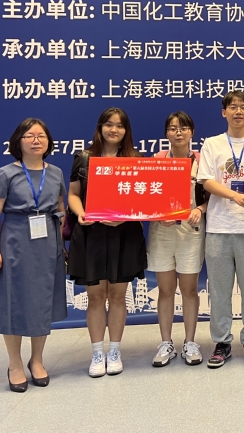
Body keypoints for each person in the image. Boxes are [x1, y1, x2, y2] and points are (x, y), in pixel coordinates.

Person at [0, 118, 68, 392]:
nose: (36, 140)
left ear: (48, 142)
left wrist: (61, 245)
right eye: (29, 136)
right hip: (15, 242)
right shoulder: (5, 173)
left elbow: (60, 208)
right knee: (14, 302)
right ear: (17, 141)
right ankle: (15, 364)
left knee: (42, 301)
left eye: (41, 136)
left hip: (47, 243)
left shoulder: (55, 172)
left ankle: (37, 360)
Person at [67, 108, 147, 378]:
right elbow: (73, 194)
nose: (114, 130)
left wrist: (125, 216)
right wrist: (81, 213)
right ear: (100, 127)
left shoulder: (135, 160)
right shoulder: (84, 158)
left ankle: (114, 351)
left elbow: (144, 198)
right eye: (109, 124)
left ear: (126, 130)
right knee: (95, 296)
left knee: (117, 295)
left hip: (124, 234)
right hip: (91, 233)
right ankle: (97, 353)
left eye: (120, 125)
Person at [196, 90, 244, 368]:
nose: (238, 111)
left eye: (243, 107)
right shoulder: (212, 144)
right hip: (219, 227)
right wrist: (234, 195)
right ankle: (222, 342)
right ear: (223, 112)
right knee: (219, 290)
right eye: (232, 107)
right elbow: (206, 180)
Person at [148, 112, 209, 368]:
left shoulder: (201, 161)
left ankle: (190, 342)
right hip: (162, 232)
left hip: (190, 232)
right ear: (166, 133)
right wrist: (157, 213)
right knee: (165, 290)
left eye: (184, 127)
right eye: (173, 128)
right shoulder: (157, 161)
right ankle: (166, 343)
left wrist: (200, 209)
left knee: (189, 289)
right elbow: (146, 196)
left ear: (192, 132)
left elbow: (213, 196)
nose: (179, 132)